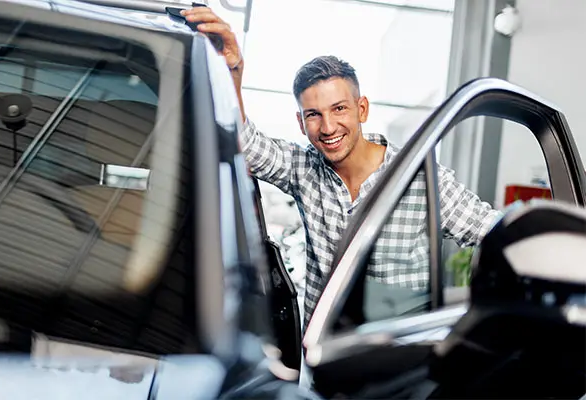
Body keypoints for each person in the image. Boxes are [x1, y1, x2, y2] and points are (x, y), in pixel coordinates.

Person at [181, 7, 502, 328]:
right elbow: (245, 144)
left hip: (397, 362)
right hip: (324, 358)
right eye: (314, 114)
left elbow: (494, 232)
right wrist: (232, 72)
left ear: (361, 109)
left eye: (339, 109)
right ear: (301, 122)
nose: (328, 126)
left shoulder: (420, 177)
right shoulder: (302, 168)